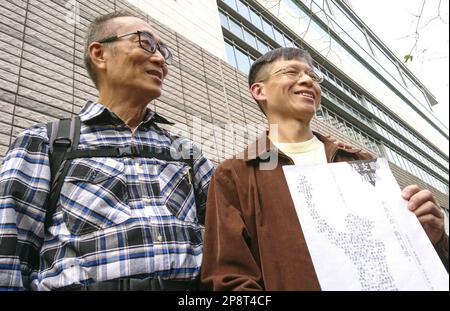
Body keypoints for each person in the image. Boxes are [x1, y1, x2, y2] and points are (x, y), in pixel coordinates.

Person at [200, 47, 448, 290]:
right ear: (259, 90)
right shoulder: (235, 174)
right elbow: (229, 278)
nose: (308, 80)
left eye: (312, 76)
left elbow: (411, 260)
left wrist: (434, 239)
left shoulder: (361, 162)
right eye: (291, 72)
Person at [0, 12, 215, 291]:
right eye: (146, 43)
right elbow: (8, 250)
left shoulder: (186, 152)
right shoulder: (47, 142)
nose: (161, 59)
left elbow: (229, 234)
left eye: (163, 51)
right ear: (99, 54)